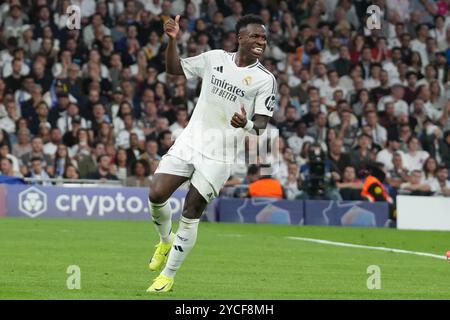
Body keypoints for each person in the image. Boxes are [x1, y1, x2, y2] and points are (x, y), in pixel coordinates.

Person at [146, 14, 276, 293]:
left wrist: (248, 123)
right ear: (239, 37)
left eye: (263, 38)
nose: (260, 42)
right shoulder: (214, 58)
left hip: (220, 156)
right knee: (156, 194)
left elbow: (261, 127)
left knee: (191, 212)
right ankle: (165, 241)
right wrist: (172, 41)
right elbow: (174, 69)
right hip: (190, 142)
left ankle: (167, 276)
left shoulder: (265, 80)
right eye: (255, 36)